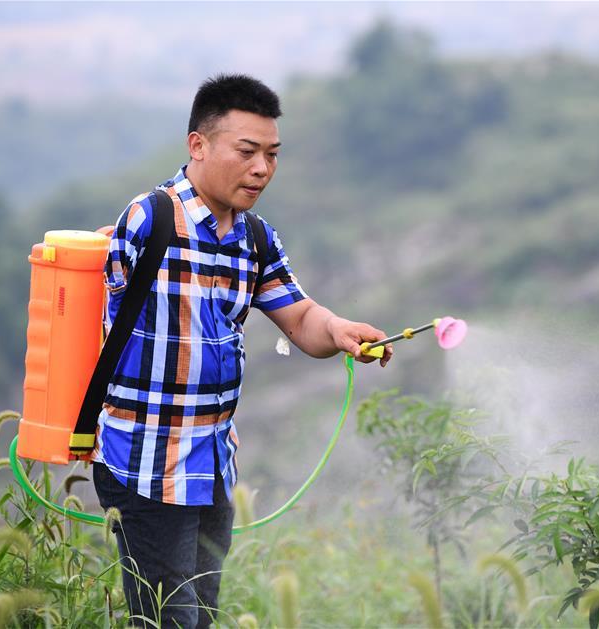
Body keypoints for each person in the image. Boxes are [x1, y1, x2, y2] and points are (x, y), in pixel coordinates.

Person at [91, 73, 393, 628]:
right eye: (247, 152)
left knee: (200, 617)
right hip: (146, 462)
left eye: (272, 155)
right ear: (198, 145)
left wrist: (342, 330)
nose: (262, 169)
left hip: (211, 464)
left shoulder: (254, 238)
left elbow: (301, 318)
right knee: (167, 621)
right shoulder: (151, 220)